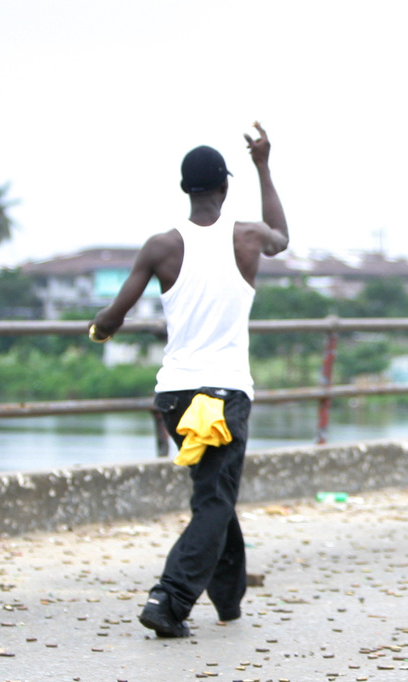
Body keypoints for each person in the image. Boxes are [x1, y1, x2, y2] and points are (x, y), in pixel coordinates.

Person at [90, 123, 288, 638]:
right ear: (224, 187)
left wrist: (97, 330)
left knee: (215, 492)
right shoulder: (247, 237)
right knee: (214, 498)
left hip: (176, 396)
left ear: (186, 190)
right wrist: (264, 165)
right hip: (223, 394)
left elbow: (114, 316)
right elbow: (282, 238)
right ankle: (170, 599)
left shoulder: (161, 246)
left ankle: (227, 598)